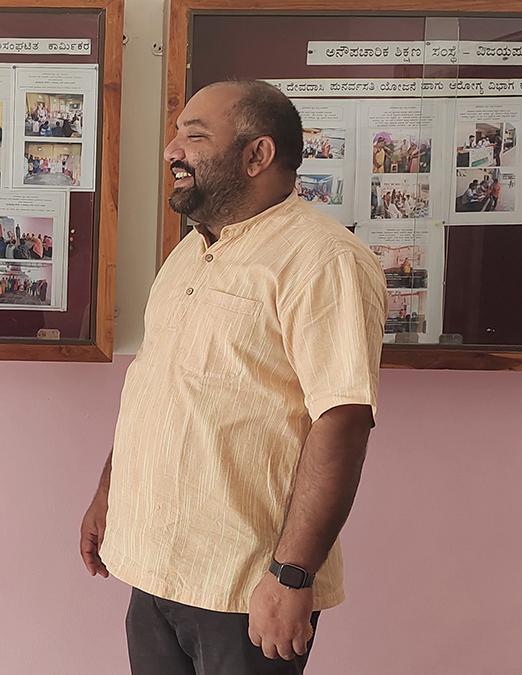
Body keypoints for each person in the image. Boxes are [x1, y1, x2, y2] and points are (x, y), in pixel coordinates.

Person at [80, 80, 385, 673]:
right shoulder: (189, 252)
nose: (172, 149)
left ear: (257, 155)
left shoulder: (324, 260)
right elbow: (160, 385)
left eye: (193, 136)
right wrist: (108, 493)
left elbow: (343, 422)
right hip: (155, 569)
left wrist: (292, 576)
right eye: (176, 135)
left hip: (247, 587)